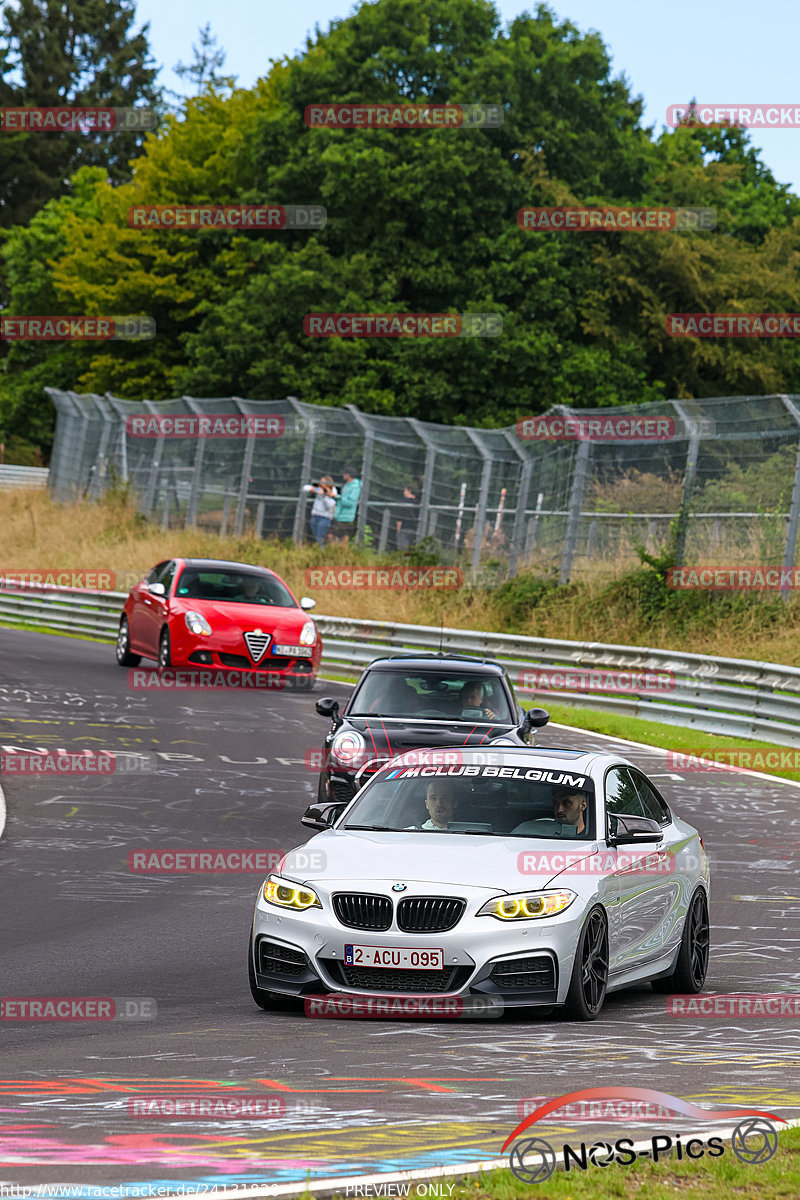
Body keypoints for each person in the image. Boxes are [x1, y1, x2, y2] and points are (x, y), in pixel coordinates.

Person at [511, 787, 587, 836]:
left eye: (567, 803)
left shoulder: (595, 841)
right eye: (555, 803)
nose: (559, 809)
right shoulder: (527, 830)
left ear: (582, 806)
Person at [329, 467, 362, 544]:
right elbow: (342, 499)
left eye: (344, 473)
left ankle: (344, 554)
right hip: (339, 516)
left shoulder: (355, 487)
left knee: (343, 538)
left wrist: (338, 497)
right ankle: (334, 552)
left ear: (348, 475)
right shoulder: (346, 485)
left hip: (347, 518)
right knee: (331, 535)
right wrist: (335, 497)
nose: (343, 475)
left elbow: (350, 502)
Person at [302, 476, 338, 546]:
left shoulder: (332, 490)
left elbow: (329, 506)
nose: (322, 484)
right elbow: (305, 488)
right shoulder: (319, 489)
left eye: (324, 482)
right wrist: (315, 490)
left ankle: (322, 551)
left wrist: (325, 496)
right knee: (316, 536)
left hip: (324, 518)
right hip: (315, 516)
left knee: (320, 537)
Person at [395, 482, 420, 550]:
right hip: (415, 530)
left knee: (403, 550)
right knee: (412, 550)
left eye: (405, 490)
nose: (404, 492)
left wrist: (398, 531)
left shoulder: (403, 502)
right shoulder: (418, 503)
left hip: (404, 529)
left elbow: (399, 518)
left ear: (409, 491)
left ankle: (405, 560)